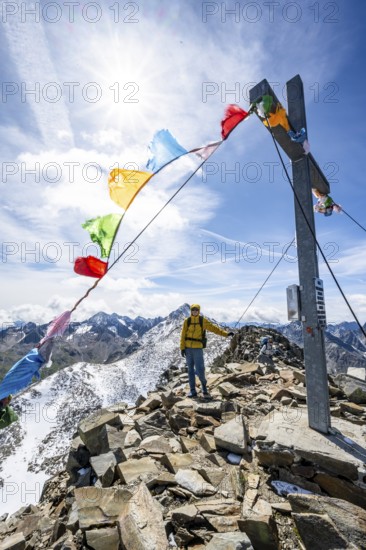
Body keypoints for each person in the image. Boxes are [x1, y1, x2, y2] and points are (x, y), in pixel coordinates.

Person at [180, 304, 234, 398]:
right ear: (191, 311)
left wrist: (225, 334)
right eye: (193, 310)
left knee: (200, 369)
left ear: (199, 311)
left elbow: (214, 328)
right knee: (190, 371)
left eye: (196, 310)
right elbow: (183, 335)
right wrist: (182, 348)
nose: (195, 311)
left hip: (198, 349)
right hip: (188, 349)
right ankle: (193, 391)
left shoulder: (202, 320)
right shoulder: (187, 321)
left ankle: (204, 387)